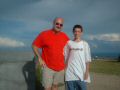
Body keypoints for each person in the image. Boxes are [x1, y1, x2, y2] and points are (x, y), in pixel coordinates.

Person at [32, 17, 69, 90]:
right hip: (48, 67)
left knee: (55, 86)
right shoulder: (44, 34)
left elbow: (71, 48)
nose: (59, 26)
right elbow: (34, 46)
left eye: (61, 25)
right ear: (53, 23)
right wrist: (39, 58)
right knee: (47, 88)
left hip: (60, 67)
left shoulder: (64, 36)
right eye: (57, 23)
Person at [64, 25, 91, 90]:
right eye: (75, 31)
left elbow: (87, 60)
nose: (77, 33)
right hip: (70, 75)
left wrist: (87, 72)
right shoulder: (68, 43)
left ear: (81, 33)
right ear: (73, 32)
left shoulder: (85, 44)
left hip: (81, 75)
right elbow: (65, 57)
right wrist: (64, 70)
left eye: (79, 31)